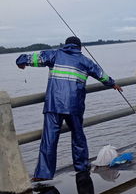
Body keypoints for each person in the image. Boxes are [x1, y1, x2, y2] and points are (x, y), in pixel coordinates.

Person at [15, 36, 122, 181]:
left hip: (53, 105)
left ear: (65, 45)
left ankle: (43, 175)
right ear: (80, 48)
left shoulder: (54, 54)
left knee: (49, 140)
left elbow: (32, 58)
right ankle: (82, 167)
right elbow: (101, 75)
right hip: (74, 106)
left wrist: (20, 61)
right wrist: (113, 84)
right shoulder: (85, 61)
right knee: (78, 137)